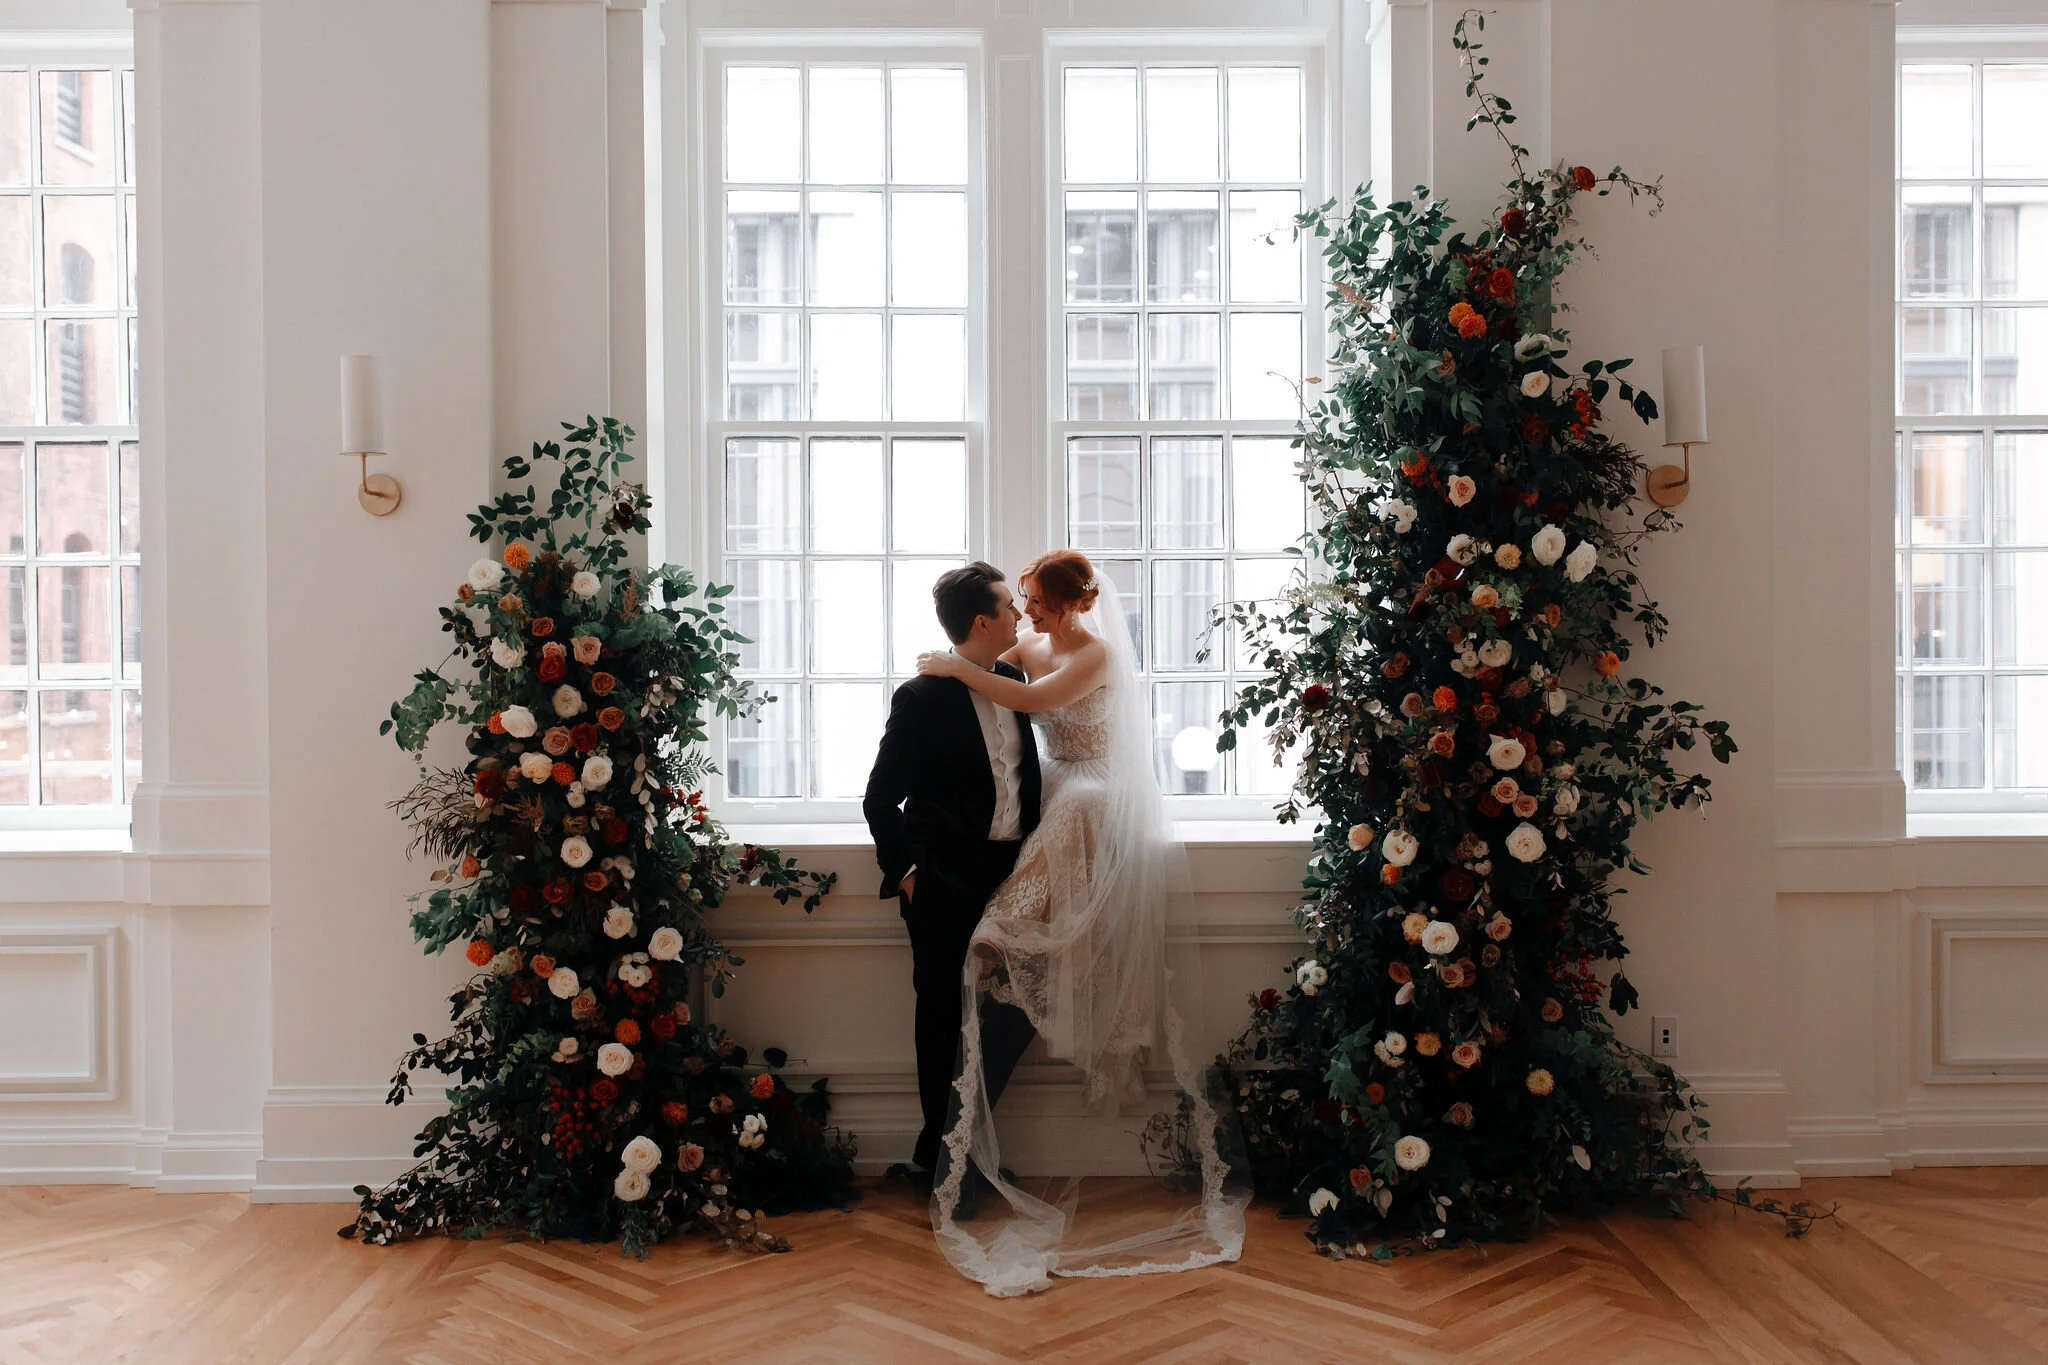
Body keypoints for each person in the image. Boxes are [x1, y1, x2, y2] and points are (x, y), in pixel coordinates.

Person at [912, 549, 1247, 1297]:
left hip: (1091, 800)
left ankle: (997, 942)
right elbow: (1005, 660)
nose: (1025, 611)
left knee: (1019, 910)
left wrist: (956, 667)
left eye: (1033, 600)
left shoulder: (1094, 654)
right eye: (1020, 600)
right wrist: (961, 661)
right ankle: (957, 1135)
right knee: (1014, 950)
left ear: (1065, 603)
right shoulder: (1036, 642)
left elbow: (1031, 702)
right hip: (1055, 792)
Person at [862, 563, 1041, 1195]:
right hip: (943, 881)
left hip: (1013, 881)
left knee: (1016, 1013)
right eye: (1008, 607)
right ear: (983, 620)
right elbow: (880, 800)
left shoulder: (1015, 679)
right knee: (941, 1019)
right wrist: (909, 875)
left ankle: (963, 1150)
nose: (1019, 616)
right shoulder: (920, 697)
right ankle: (946, 1170)